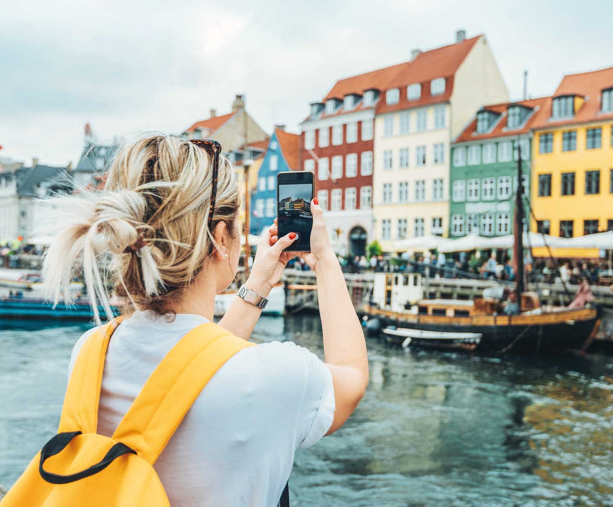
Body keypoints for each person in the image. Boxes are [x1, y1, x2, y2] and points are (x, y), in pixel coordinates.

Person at [39, 135, 368, 506]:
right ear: (221, 237)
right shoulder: (273, 375)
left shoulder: (91, 353)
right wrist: (324, 260)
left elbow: (190, 373)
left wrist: (258, 284)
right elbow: (352, 377)